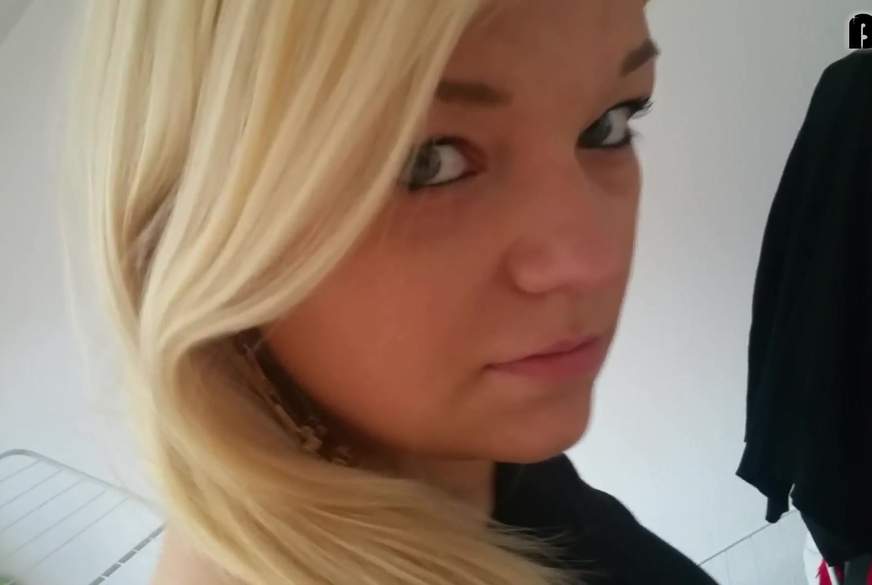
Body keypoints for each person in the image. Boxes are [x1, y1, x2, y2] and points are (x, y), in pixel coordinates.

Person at [60, 1, 718, 583]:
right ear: (195, 220)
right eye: (429, 160)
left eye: (607, 125)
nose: (592, 261)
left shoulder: (477, 463)